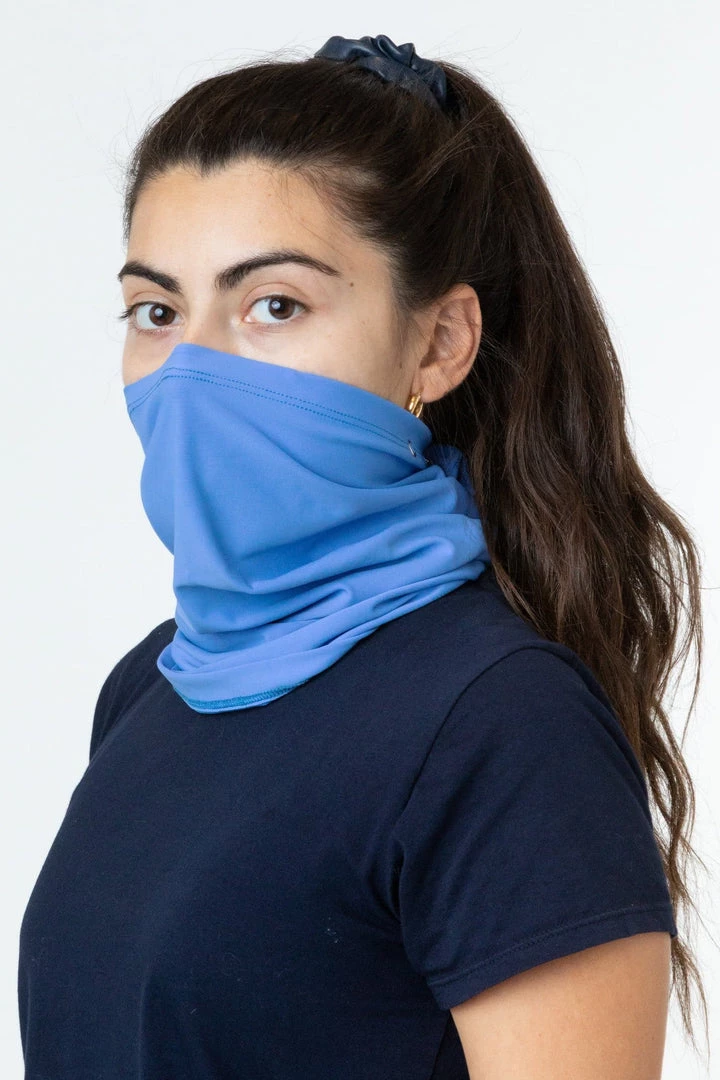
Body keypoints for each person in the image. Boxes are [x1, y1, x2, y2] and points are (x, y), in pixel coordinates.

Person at [17, 32, 707, 1079]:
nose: (191, 369)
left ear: (440, 342)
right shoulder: (148, 687)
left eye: (275, 306)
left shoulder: (505, 721)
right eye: (157, 311)